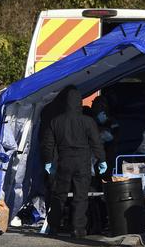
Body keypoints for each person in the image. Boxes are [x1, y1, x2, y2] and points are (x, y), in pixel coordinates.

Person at [41, 86, 106, 238]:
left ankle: (53, 227)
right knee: (80, 196)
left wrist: (48, 161)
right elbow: (96, 142)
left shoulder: (56, 121)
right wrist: (101, 159)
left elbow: (48, 144)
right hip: (82, 161)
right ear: (79, 102)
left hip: (64, 160)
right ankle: (78, 228)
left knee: (59, 195)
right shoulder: (88, 121)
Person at [90, 95, 119, 178]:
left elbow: (114, 136)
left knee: (106, 172)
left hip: (108, 151)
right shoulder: (90, 119)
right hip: (94, 152)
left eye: (100, 105)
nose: (96, 108)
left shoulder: (112, 120)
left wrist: (106, 124)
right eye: (95, 105)